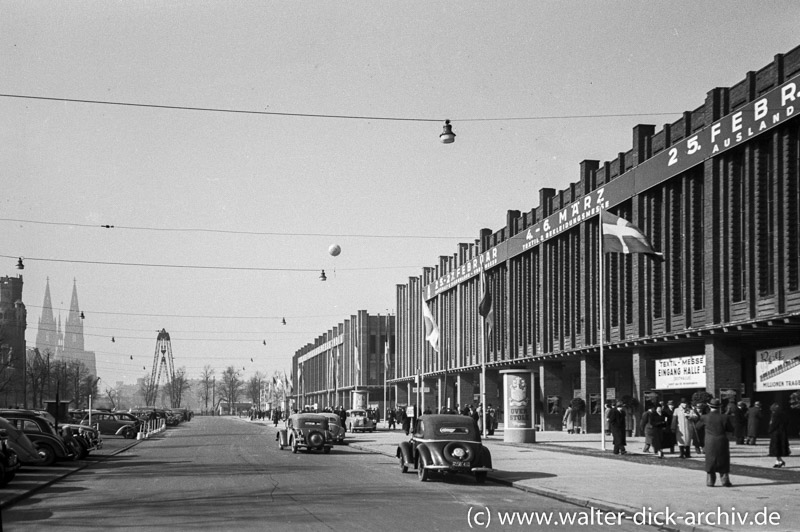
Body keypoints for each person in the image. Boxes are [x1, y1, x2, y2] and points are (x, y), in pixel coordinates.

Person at [696, 398, 734, 487]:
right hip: (722, 440)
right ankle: (725, 480)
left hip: (710, 441)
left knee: (710, 460)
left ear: (709, 406)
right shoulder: (724, 417)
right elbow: (731, 429)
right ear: (719, 407)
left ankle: (710, 481)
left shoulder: (705, 417)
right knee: (723, 459)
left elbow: (698, 427)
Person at [768, 403, 790, 468]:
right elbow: (787, 422)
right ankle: (778, 461)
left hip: (776, 433)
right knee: (779, 448)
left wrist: (770, 430)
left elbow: (773, 424)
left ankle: (779, 461)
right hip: (783, 433)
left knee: (776, 448)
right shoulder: (784, 414)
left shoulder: (775, 415)